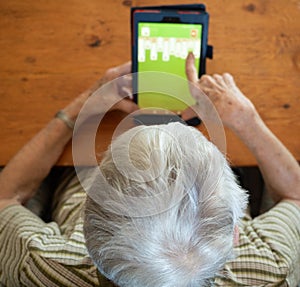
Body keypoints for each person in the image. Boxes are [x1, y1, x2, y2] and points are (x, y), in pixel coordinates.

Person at [0, 53, 299, 286]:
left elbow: (5, 196)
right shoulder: (273, 267)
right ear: (235, 233)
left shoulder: (39, 266)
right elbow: (295, 194)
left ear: (85, 220)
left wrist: (83, 106)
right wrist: (246, 120)